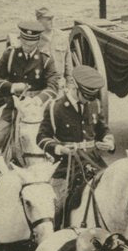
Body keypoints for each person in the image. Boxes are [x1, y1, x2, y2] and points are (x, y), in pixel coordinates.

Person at [37, 65, 114, 216]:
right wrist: (60, 149)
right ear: (75, 88)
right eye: (85, 96)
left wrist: (109, 142)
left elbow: (103, 129)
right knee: (58, 207)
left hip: (93, 161)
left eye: (90, 98)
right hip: (67, 166)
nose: (87, 101)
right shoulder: (55, 108)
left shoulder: (94, 104)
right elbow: (41, 138)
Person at [0, 20, 61, 125]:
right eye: (24, 43)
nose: (27, 47)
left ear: (38, 42)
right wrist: (12, 87)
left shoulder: (46, 59)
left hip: (39, 107)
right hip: (14, 107)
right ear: (20, 39)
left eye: (31, 45)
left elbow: (53, 86)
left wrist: (38, 100)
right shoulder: (10, 55)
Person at [36, 6, 75, 92]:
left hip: (60, 84)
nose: (52, 21)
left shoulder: (62, 37)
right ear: (39, 20)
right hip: (42, 86)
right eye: (48, 19)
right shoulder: (34, 40)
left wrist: (70, 84)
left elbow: (68, 63)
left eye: (52, 18)